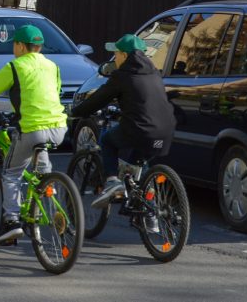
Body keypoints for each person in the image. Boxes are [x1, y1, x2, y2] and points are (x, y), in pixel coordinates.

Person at [0, 25, 69, 245]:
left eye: (14, 44)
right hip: (58, 128)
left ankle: (12, 221)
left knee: (12, 173)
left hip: (32, 128)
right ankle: (44, 194)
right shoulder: (52, 66)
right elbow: (52, 93)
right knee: (40, 168)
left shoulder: (15, 66)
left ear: (20, 45)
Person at [69, 33, 175, 212]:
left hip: (139, 129)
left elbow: (99, 98)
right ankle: (149, 213)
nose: (115, 57)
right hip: (165, 132)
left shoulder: (123, 75)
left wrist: (77, 112)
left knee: (107, 141)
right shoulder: (154, 73)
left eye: (116, 53)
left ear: (125, 56)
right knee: (137, 164)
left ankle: (112, 183)